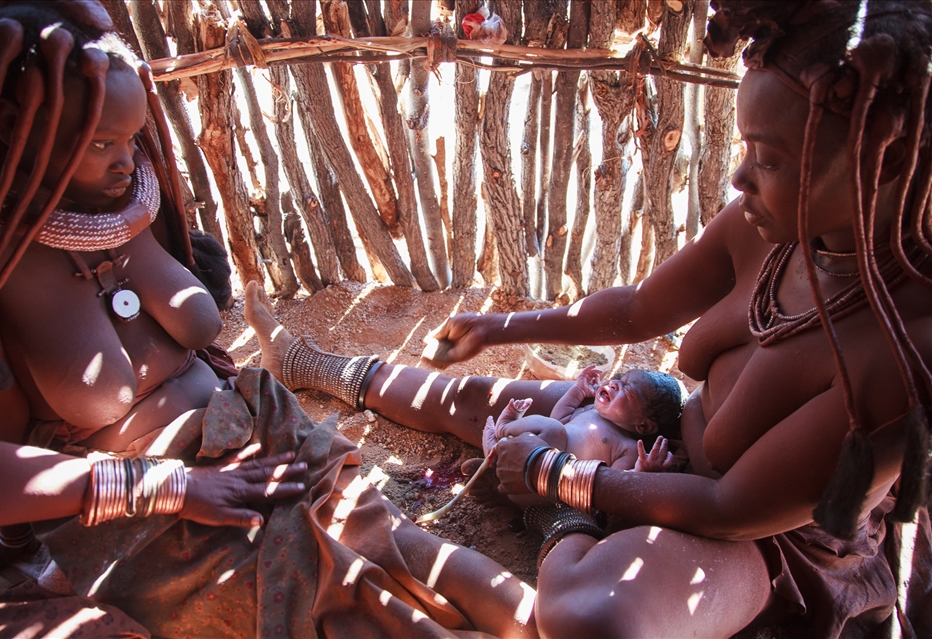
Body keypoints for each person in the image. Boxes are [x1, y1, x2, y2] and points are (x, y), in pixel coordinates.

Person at [244, 1, 932, 636]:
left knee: (590, 616)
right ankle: (309, 364)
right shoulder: (771, 227)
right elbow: (637, 308)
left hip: (762, 540)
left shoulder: (896, 355)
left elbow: (730, 510)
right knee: (477, 396)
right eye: (746, 148)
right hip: (666, 440)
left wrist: (557, 479)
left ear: (887, 161)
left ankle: (418, 534)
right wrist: (502, 328)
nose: (739, 178)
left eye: (770, 158)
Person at [0, 5, 538, 638]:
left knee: (417, 555)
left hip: (264, 434)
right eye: (102, 143)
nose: (128, 161)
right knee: (349, 612)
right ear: (18, 127)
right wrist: (166, 489)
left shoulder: (128, 205)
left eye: (131, 138)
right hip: (153, 519)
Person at [480, 365, 684, 474]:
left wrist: (641, 471)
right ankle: (497, 447)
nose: (613, 384)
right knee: (554, 427)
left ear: (644, 425)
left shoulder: (629, 448)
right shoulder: (589, 411)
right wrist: (578, 391)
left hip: (552, 475)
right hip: (526, 451)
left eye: (627, 389)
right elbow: (559, 417)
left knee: (554, 429)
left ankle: (504, 428)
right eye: (619, 379)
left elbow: (616, 482)